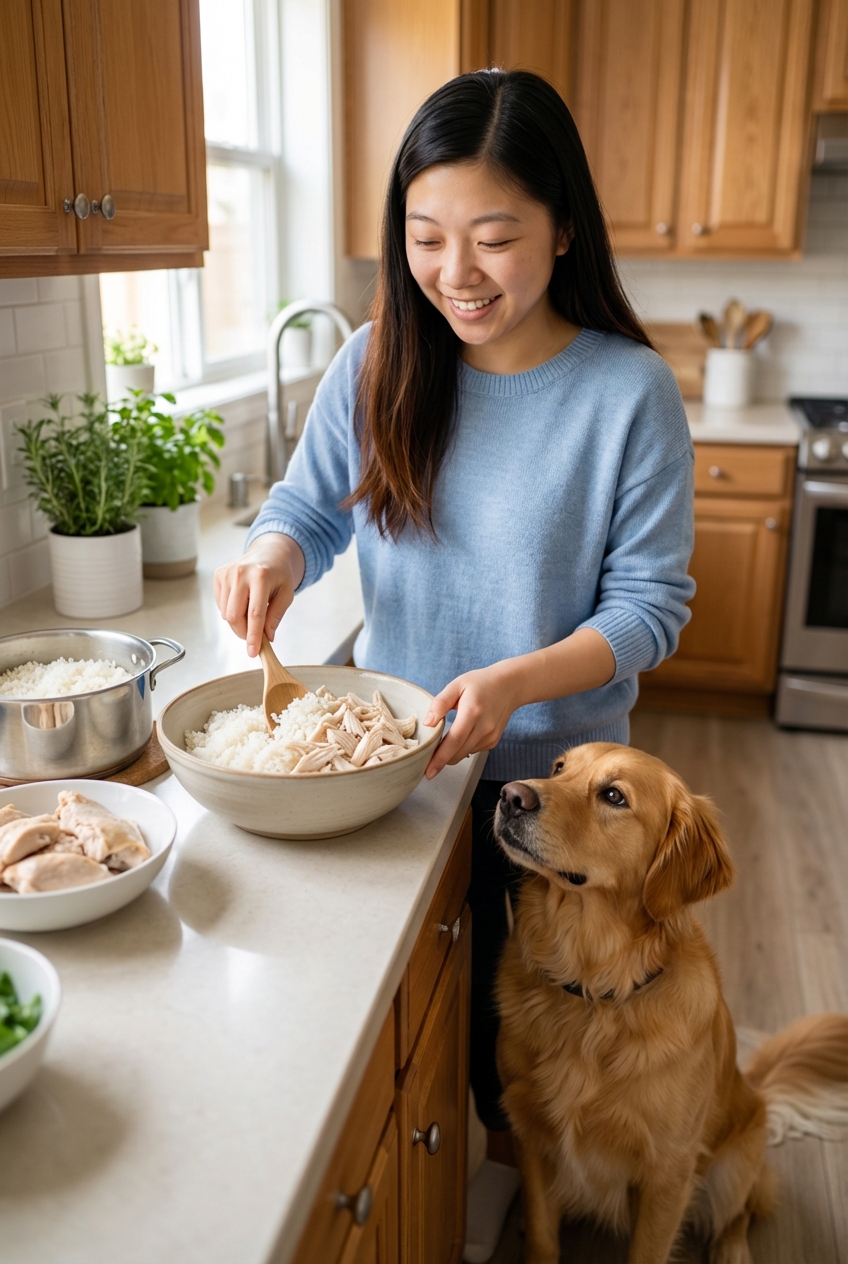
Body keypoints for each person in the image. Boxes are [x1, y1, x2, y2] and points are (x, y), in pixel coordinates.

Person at [215, 66, 695, 1250]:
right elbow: (313, 506)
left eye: (493, 238)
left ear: (563, 227)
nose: (456, 273)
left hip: (548, 798)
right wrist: (278, 548)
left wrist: (511, 683)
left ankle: (497, 1205)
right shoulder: (382, 356)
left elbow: (648, 608)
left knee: (520, 1060)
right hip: (393, 771)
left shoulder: (624, 392)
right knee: (393, 1032)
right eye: (425, 238)